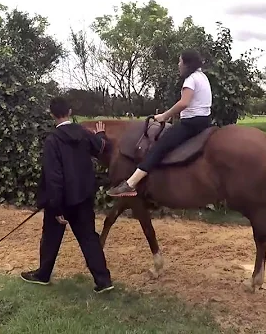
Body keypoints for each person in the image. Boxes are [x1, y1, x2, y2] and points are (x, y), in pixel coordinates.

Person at [21, 97, 114, 294]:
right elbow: (102, 147)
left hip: (61, 201)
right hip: (83, 198)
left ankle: (43, 275)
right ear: (70, 112)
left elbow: (53, 177)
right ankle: (104, 281)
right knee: (89, 238)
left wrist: (56, 207)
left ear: (51, 114)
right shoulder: (84, 133)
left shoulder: (52, 140)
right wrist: (102, 134)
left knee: (50, 238)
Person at [107, 48, 212, 197]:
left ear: (187, 63)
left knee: (159, 148)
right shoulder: (202, 77)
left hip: (191, 123)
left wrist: (164, 116)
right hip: (204, 120)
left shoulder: (191, 80)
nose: (178, 64)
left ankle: (130, 184)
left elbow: (184, 103)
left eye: (180, 61)